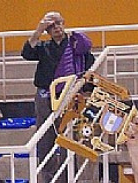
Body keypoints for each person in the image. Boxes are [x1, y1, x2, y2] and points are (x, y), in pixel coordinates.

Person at [21, 11, 94, 171]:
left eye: (58, 23)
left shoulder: (76, 45)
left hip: (72, 95)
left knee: (72, 135)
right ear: (47, 31)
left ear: (64, 23)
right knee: (45, 135)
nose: (56, 28)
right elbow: (26, 53)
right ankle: (48, 177)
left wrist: (86, 91)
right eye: (51, 26)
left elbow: (89, 67)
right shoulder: (44, 47)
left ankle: (71, 176)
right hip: (46, 95)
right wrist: (38, 31)